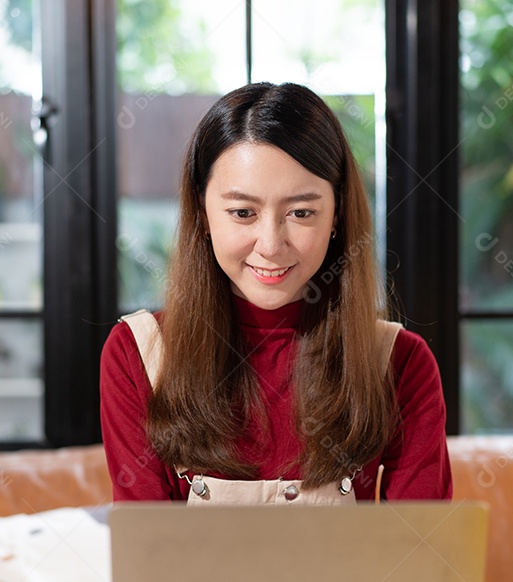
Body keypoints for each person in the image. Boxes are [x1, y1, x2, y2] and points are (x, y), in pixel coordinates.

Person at [100, 82, 451, 504]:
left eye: (301, 212)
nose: (270, 245)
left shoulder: (399, 363)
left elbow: (420, 542)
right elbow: (146, 543)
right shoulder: (137, 356)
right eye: (242, 212)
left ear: (337, 214)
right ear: (204, 213)